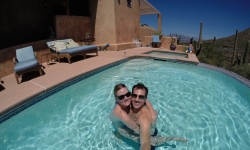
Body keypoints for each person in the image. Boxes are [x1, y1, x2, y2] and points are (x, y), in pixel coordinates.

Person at [109, 83, 188, 148]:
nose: (126, 98)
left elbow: (144, 143)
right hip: (121, 127)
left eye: (128, 94)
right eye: (121, 97)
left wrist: (150, 124)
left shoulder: (128, 104)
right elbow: (135, 128)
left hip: (127, 127)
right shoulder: (121, 111)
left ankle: (172, 138)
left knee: (151, 141)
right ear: (116, 99)